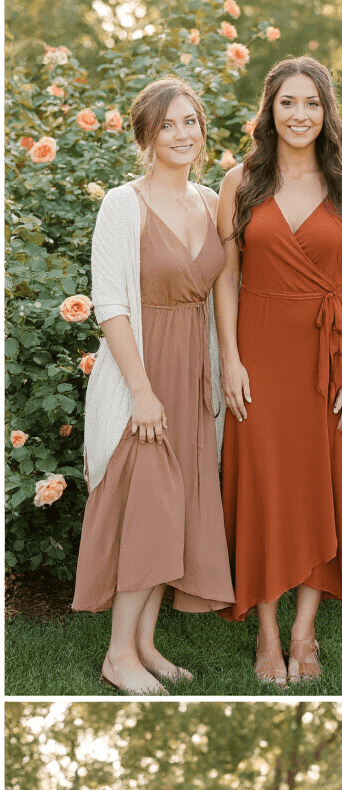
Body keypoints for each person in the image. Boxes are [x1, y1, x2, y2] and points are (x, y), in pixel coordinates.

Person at [214, 57, 342, 685]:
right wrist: (230, 358)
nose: (300, 115)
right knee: (264, 483)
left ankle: (305, 632)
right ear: (270, 111)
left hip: (329, 357)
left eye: (311, 103)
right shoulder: (241, 182)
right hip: (259, 347)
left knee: (321, 483)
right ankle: (266, 634)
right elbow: (226, 277)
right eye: (288, 103)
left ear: (326, 112)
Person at [72, 76, 234, 693]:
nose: (182, 134)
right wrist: (140, 391)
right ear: (147, 134)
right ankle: (117, 654)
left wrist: (221, 372)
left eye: (190, 121)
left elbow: (221, 292)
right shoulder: (123, 203)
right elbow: (110, 304)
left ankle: (145, 642)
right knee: (148, 507)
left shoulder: (209, 202)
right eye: (167, 124)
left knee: (181, 505)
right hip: (143, 371)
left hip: (194, 373)